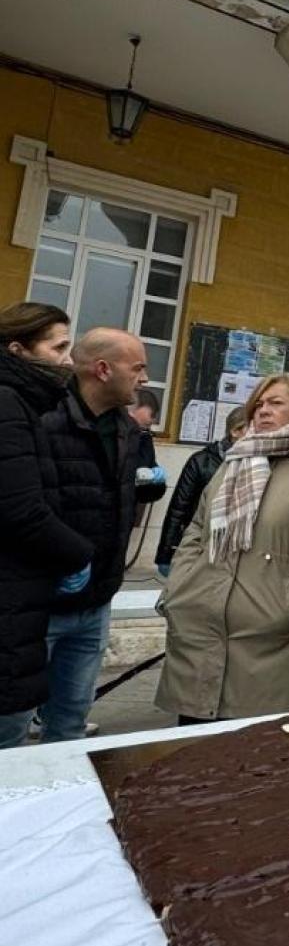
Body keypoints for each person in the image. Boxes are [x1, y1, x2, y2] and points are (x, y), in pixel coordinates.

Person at [156, 372, 289, 722]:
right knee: (194, 756)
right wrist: (181, 584)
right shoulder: (233, 463)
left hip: (274, 637)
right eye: (258, 404)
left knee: (258, 758)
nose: (263, 411)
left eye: (276, 403)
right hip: (203, 622)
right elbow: (198, 526)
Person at [33, 327, 167, 742]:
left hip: (96, 602)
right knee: (14, 726)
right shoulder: (42, 419)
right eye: (139, 367)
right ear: (103, 369)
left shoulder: (127, 430)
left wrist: (144, 486)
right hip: (39, 604)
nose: (145, 378)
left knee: (70, 722)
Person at [0, 304, 96, 750]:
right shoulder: (7, 402)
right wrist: (79, 552)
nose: (67, 358)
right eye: (58, 347)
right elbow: (21, 509)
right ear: (19, 350)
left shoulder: (24, 402)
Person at [155, 405, 247, 576]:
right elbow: (178, 509)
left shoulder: (259, 465)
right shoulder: (201, 462)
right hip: (199, 546)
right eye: (253, 428)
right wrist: (166, 554)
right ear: (235, 431)